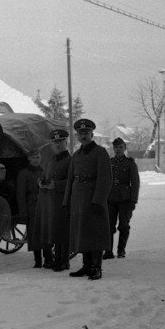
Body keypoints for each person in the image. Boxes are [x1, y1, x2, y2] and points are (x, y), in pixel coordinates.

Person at [63, 118, 112, 281]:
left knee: (95, 232)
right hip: (78, 199)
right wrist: (66, 201)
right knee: (82, 232)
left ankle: (97, 267)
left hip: (93, 199)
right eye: (80, 133)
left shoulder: (100, 152)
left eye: (86, 133)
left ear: (92, 134)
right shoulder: (76, 155)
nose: (83, 136)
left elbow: (105, 178)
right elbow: (71, 179)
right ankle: (86, 265)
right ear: (77, 136)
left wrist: (98, 200)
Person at [37, 129, 72, 272]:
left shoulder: (70, 160)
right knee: (55, 231)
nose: (57, 145)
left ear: (66, 143)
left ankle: (64, 261)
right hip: (51, 202)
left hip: (63, 201)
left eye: (60, 142)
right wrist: (41, 182)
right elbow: (47, 176)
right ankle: (56, 260)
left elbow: (71, 181)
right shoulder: (51, 160)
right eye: (55, 142)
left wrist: (56, 185)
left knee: (63, 232)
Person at [104, 138, 140, 260]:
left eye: (120, 147)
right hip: (110, 199)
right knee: (109, 225)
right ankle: (108, 251)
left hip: (125, 199)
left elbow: (135, 183)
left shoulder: (130, 163)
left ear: (124, 148)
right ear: (113, 149)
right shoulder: (109, 163)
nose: (118, 150)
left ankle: (121, 250)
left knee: (124, 225)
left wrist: (133, 200)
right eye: (116, 147)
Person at [17, 149, 50, 268]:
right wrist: (23, 213)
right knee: (34, 234)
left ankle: (48, 258)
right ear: (29, 159)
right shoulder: (24, 174)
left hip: (44, 206)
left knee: (46, 233)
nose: (36, 160)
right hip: (31, 208)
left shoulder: (44, 171)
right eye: (33, 157)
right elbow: (21, 195)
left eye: (38, 157)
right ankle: (38, 260)